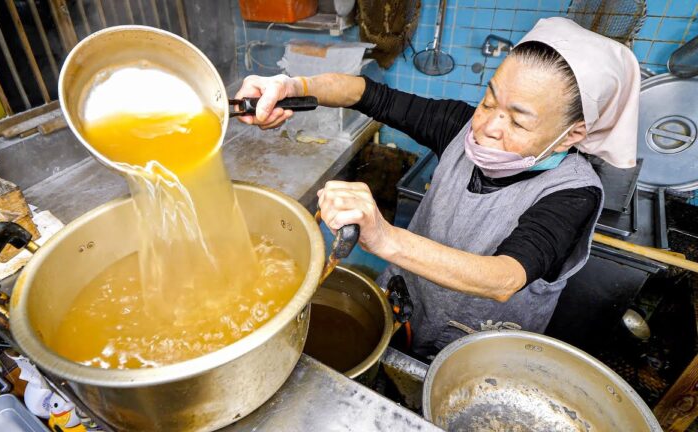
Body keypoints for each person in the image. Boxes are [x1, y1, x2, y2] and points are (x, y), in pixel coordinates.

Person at [234, 17, 640, 359]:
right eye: (488, 100)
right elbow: (367, 93)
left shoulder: (573, 194)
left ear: (572, 134)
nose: (487, 128)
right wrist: (292, 86)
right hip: (405, 304)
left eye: (518, 122)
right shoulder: (461, 128)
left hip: (475, 350)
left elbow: (504, 278)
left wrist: (384, 236)